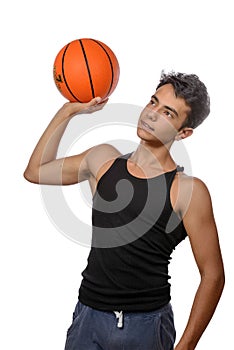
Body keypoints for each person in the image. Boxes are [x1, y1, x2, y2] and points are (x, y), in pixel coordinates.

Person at [24, 71, 225, 350]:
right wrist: (68, 111)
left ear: (183, 133)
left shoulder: (189, 191)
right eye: (153, 102)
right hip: (89, 316)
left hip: (147, 324)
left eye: (167, 113)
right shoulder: (103, 161)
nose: (152, 114)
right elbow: (35, 171)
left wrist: (186, 346)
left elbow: (213, 275)